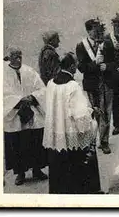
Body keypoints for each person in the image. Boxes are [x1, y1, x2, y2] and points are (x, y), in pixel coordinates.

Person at [43, 53, 101, 194]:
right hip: (71, 135)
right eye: (75, 64)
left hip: (57, 134)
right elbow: (80, 116)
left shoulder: (51, 83)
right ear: (71, 66)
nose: (76, 66)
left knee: (59, 170)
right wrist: (92, 112)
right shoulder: (73, 86)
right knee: (79, 168)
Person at [3, 46, 48, 186]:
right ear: (9, 58)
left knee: (35, 140)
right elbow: (3, 94)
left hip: (31, 110)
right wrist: (18, 100)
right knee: (17, 143)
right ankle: (20, 173)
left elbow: (41, 88)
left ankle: (37, 169)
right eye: (15, 56)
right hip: (14, 113)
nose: (19, 59)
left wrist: (32, 97)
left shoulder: (29, 71)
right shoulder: (2, 73)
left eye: (20, 56)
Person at [75, 19, 112, 154]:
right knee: (93, 114)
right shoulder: (81, 46)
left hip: (106, 83)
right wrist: (95, 64)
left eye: (99, 29)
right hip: (92, 84)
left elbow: (114, 61)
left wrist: (106, 66)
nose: (97, 33)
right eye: (94, 30)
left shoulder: (106, 44)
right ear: (88, 31)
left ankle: (104, 141)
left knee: (106, 113)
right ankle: (92, 141)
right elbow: (81, 67)